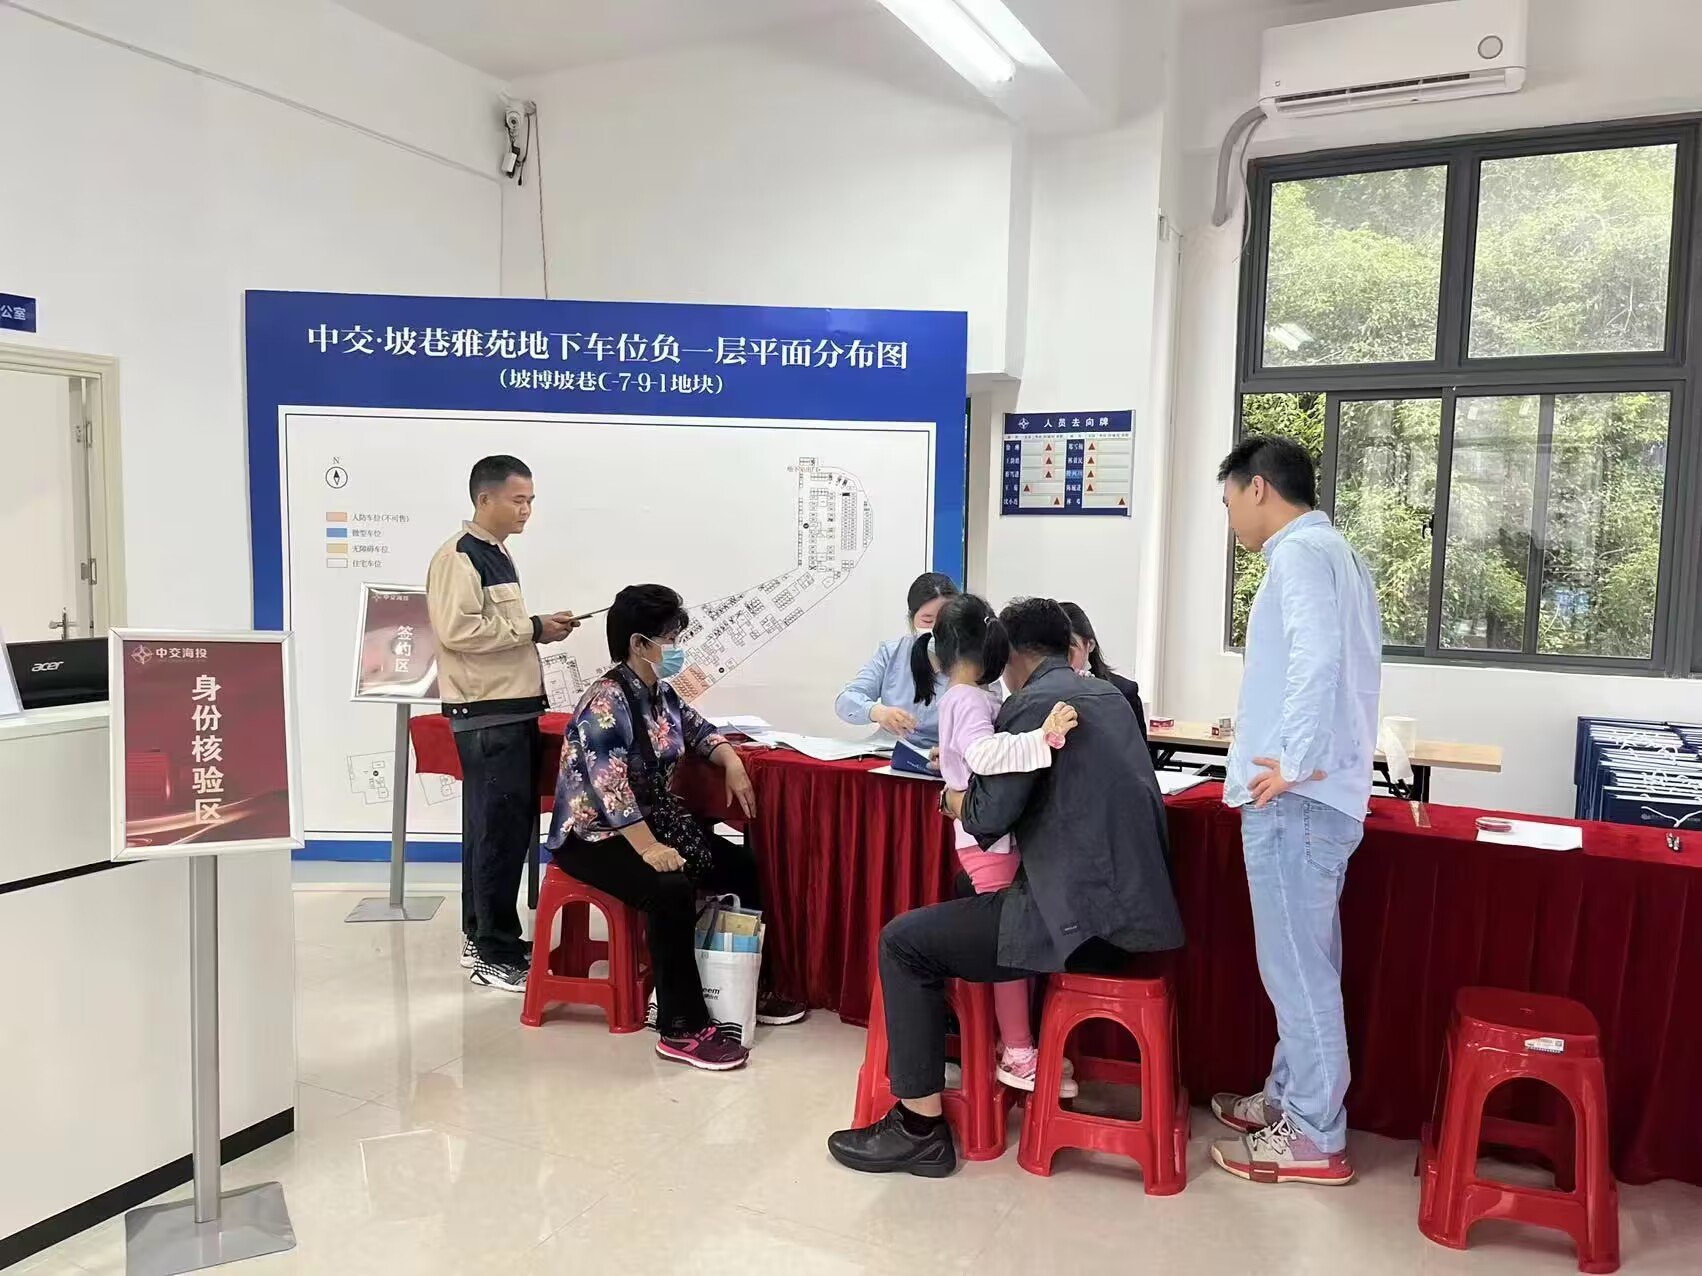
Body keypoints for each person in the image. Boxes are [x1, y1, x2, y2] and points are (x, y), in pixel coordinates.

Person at [827, 597, 1184, 1177]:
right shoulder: (1109, 695)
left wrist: (949, 798)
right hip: (1133, 911)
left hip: (1073, 920)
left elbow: (985, 816)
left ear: (1012, 652)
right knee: (961, 893)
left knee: (903, 942)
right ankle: (992, 1043)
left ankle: (919, 1125)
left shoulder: (1030, 705)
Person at [1208, 435, 1382, 1188]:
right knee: (1302, 965)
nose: (1229, 520)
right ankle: (1287, 1098)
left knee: (1297, 971)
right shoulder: (1335, 552)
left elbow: (1317, 659)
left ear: (1258, 489)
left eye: (1228, 503)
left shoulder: (1300, 554)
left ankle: (1313, 1132)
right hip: (1317, 795)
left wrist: (1295, 758)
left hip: (1297, 799)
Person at [547, 584, 808, 1072]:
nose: (677, 647)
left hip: (652, 823)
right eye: (670, 637)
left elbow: (701, 731)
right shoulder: (606, 701)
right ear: (638, 643)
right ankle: (680, 1026)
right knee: (669, 888)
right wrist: (649, 848)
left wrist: (730, 761)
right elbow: (610, 787)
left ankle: (747, 989)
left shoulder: (659, 694)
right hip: (594, 836)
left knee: (743, 867)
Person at [918, 593, 1081, 1096]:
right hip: (987, 846)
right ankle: (1017, 1051)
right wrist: (1042, 738)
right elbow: (985, 755)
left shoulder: (970, 696)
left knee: (1015, 943)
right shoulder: (968, 698)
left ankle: (1014, 1043)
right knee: (1011, 948)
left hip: (988, 842)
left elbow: (967, 751)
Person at [427, 455, 578, 993]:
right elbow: (458, 632)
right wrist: (533, 628)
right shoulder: (459, 556)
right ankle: (494, 951)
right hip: (487, 712)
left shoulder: (496, 553)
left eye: (531, 500)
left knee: (497, 830)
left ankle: (484, 938)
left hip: (510, 708)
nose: (526, 510)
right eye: (518, 500)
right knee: (497, 833)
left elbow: (495, 626)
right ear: (484, 498)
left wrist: (538, 628)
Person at [835, 572, 957, 747]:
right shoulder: (891, 653)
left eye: (945, 621)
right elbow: (846, 700)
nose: (937, 629)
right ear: (911, 619)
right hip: (890, 751)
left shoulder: (971, 658)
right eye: (927, 620)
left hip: (946, 755)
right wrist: (877, 711)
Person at [1059, 600, 1148, 739]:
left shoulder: (1122, 691)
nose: (1061, 657)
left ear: (1090, 645)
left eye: (1069, 647)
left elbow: (1138, 750)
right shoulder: (1037, 693)